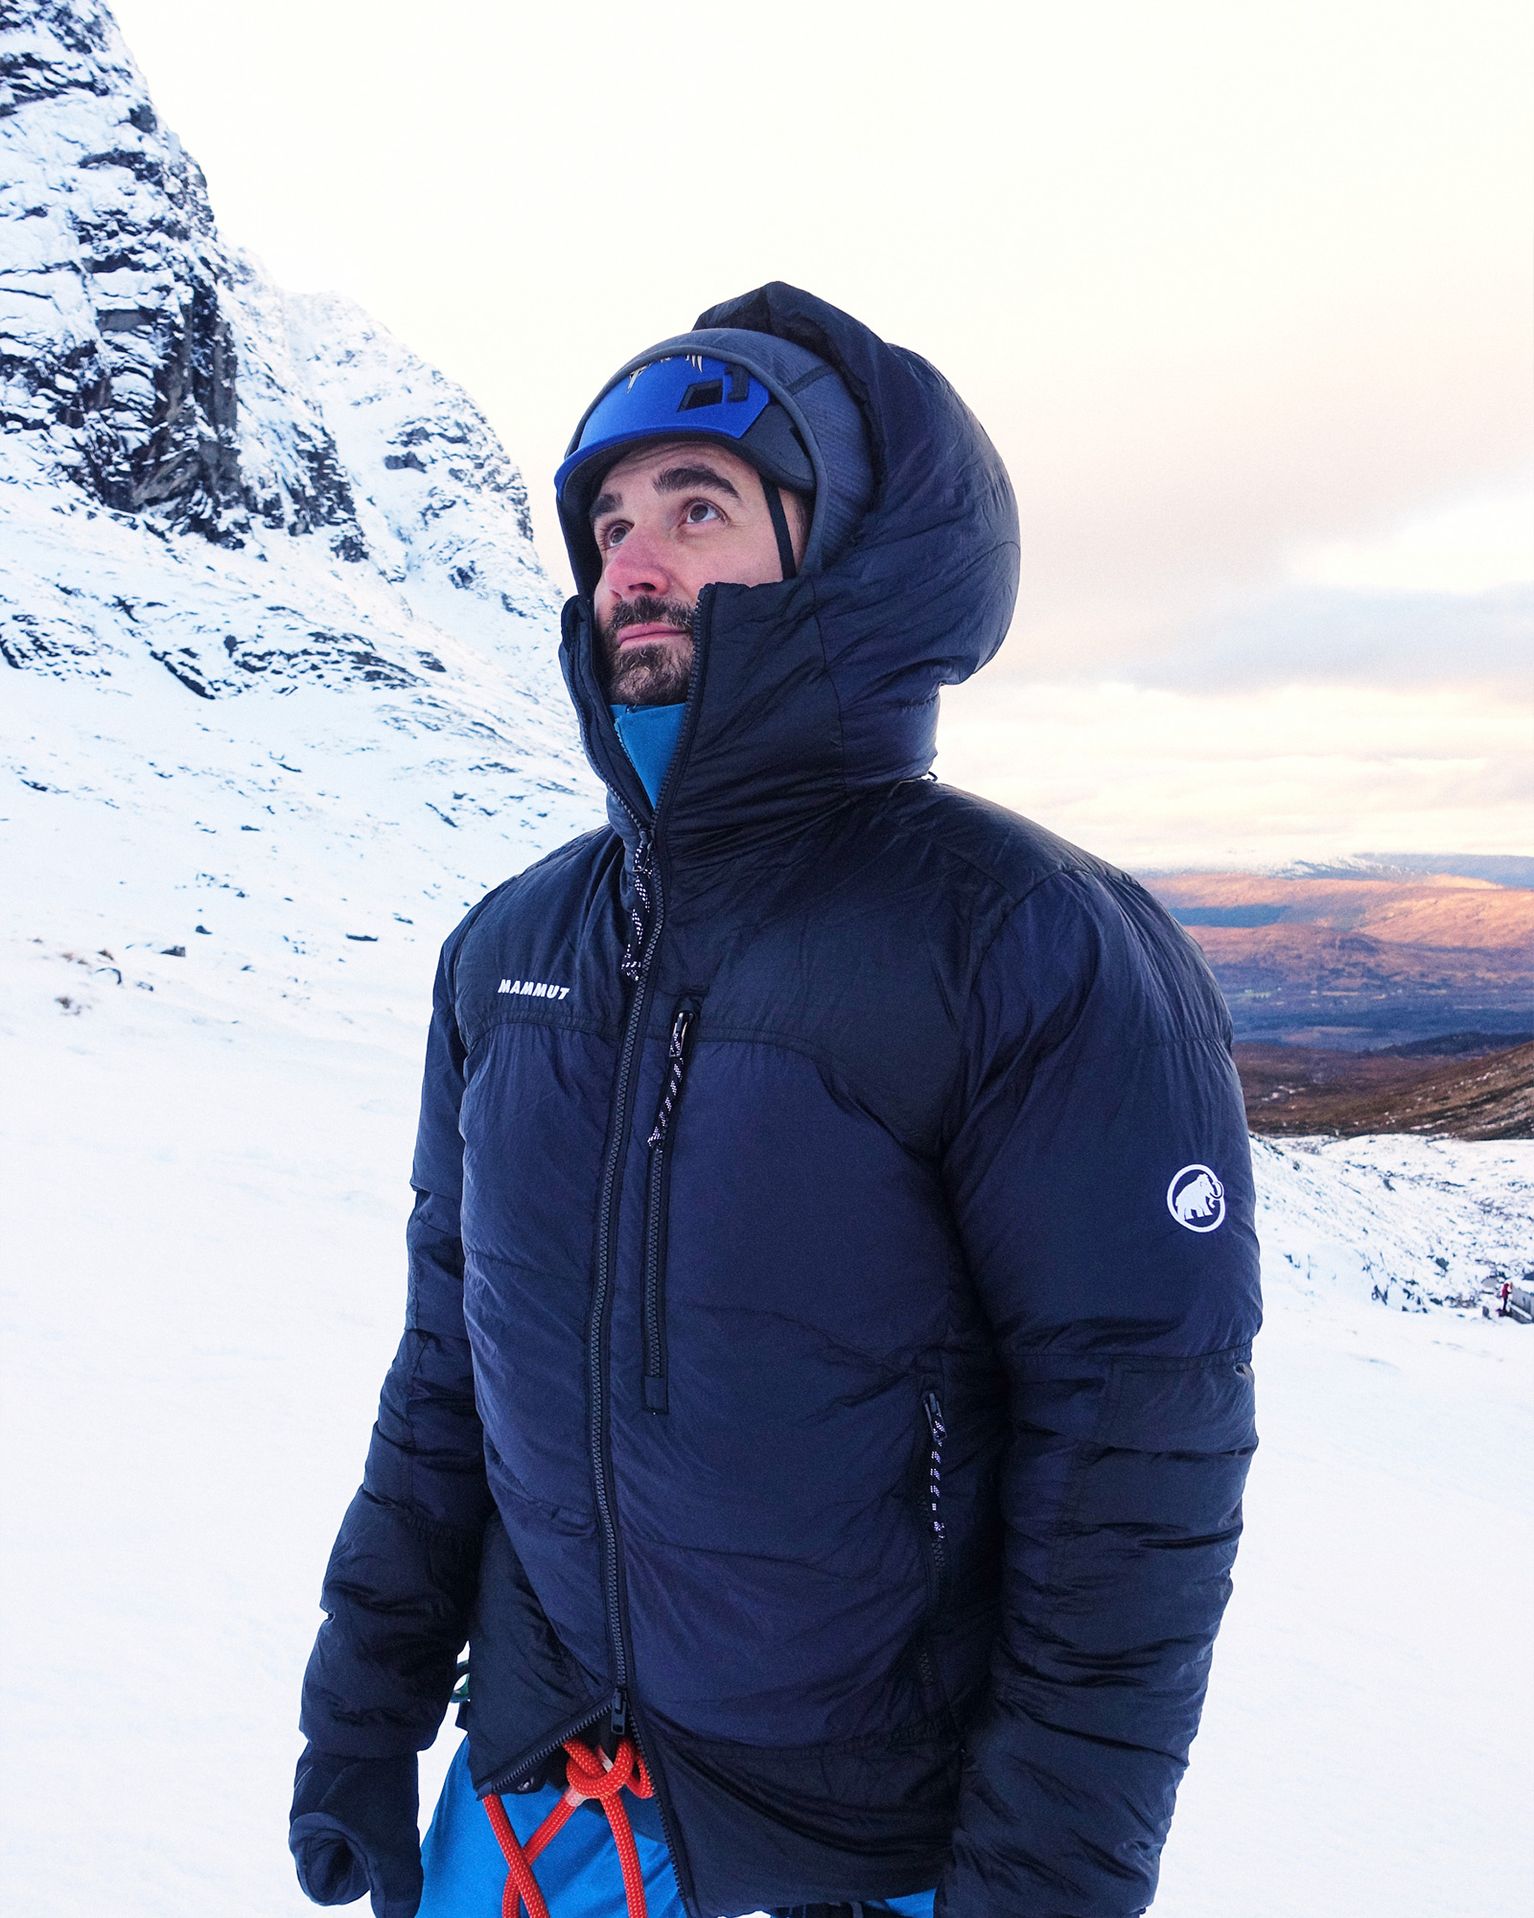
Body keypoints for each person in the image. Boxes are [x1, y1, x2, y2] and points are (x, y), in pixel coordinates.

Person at [289, 283, 1262, 1918]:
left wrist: (1045, 1886)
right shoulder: (512, 947)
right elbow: (449, 1375)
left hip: (870, 1835)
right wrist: (361, 1712)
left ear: (840, 554)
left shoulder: (1021, 939)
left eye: (698, 505)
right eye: (607, 522)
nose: (634, 563)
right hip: (547, 1784)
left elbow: (1136, 1472)